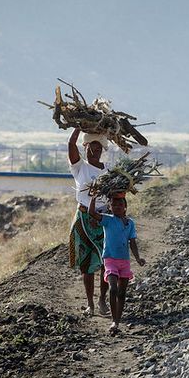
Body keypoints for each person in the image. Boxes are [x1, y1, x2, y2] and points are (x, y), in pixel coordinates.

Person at [89, 194, 146, 333]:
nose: (117, 207)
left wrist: (138, 258)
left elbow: (132, 242)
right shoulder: (108, 220)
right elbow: (92, 213)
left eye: (120, 205)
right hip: (110, 259)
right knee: (113, 289)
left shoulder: (130, 223)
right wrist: (93, 198)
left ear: (125, 207)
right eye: (114, 205)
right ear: (110, 207)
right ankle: (114, 322)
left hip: (124, 261)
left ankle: (117, 321)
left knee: (121, 293)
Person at [68, 128, 110, 316]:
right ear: (85, 148)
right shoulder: (79, 167)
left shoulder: (108, 171)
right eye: (91, 148)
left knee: (106, 262)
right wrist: (78, 126)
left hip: (103, 219)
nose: (94, 151)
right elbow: (70, 145)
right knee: (87, 263)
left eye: (98, 148)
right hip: (84, 219)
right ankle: (90, 303)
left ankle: (102, 300)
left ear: (102, 150)